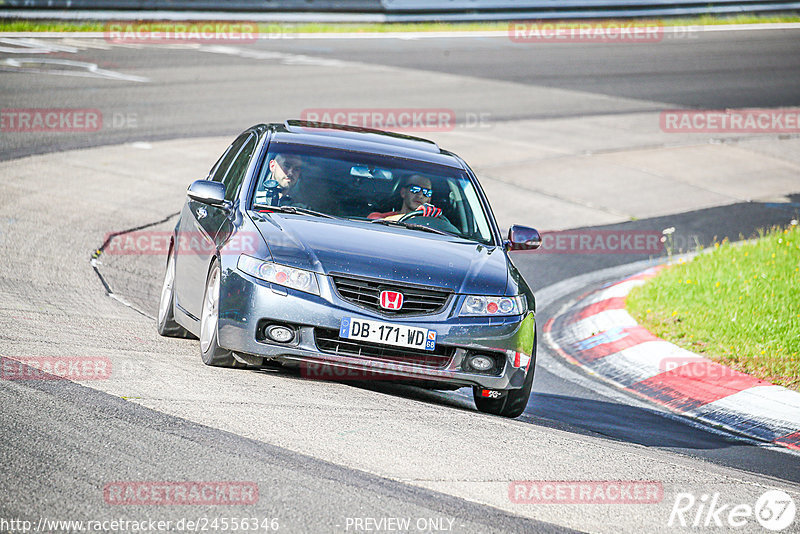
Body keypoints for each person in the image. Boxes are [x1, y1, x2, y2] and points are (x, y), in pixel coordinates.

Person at [368, 174, 441, 220]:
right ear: (403, 192)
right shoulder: (384, 217)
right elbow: (373, 220)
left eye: (426, 192)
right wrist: (412, 217)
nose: (420, 195)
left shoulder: (434, 222)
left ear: (429, 200)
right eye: (415, 189)